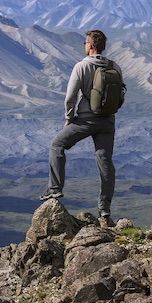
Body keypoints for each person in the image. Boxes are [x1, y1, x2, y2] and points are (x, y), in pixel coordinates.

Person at [41, 29, 121, 228]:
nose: (84, 46)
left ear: (91, 45)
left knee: (57, 145)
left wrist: (69, 119)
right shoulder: (115, 66)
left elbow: (70, 97)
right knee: (105, 162)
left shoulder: (81, 66)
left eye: (86, 43)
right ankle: (105, 211)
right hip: (108, 121)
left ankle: (55, 189)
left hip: (85, 120)